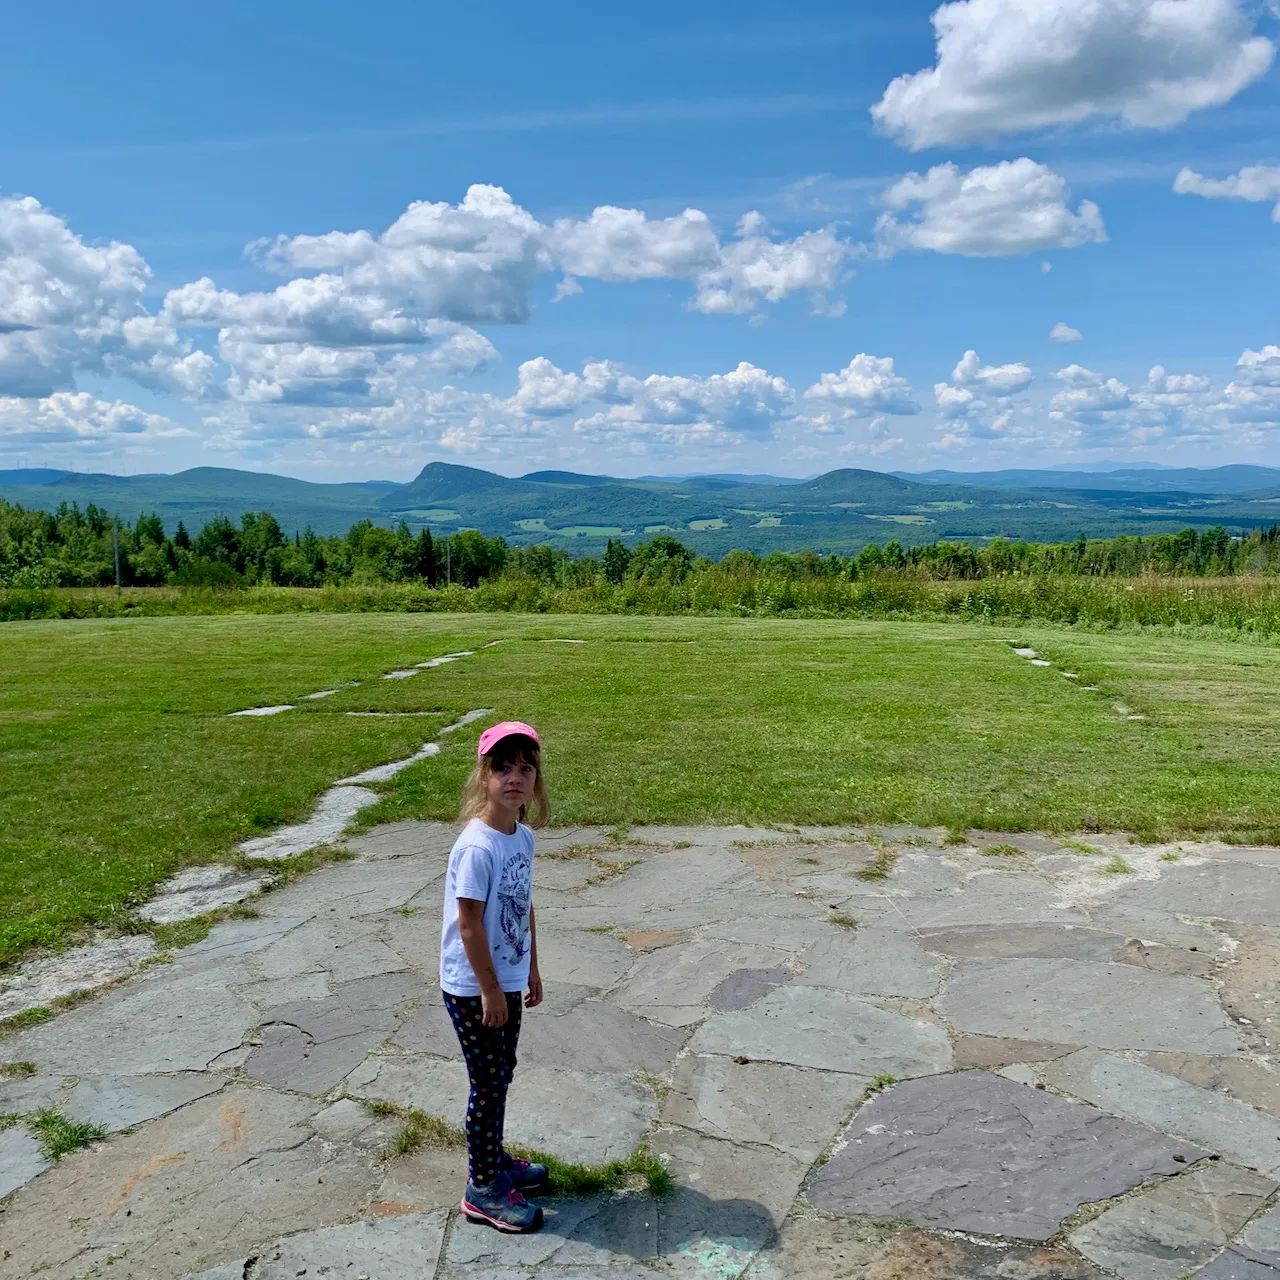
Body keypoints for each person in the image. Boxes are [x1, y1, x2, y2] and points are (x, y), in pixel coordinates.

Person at [440, 720, 551, 1233]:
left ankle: (496, 1162)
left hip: (504, 979)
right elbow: (468, 925)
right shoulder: (477, 847)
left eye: (525, 767)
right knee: (487, 1085)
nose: (515, 777)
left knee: (501, 1076)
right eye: (503, 767)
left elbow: (522, 902)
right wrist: (489, 989)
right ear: (483, 777)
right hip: (473, 986)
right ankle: (482, 1188)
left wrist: (529, 967)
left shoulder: (521, 837)